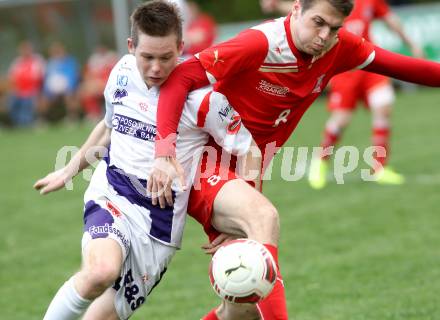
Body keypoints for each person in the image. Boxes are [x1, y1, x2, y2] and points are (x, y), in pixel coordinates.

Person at [149, 0, 440, 318]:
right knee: (264, 221)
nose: (324, 35)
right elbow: (180, 78)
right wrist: (163, 153)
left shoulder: (339, 47)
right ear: (297, 9)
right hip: (201, 163)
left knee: (242, 309)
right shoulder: (261, 43)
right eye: (318, 22)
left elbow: (410, 68)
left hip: (246, 171)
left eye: (334, 28)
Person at [33, 2, 255, 319]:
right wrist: (69, 170)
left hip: (159, 227)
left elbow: (249, 150)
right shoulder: (121, 72)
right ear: (131, 47)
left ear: (181, 47)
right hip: (113, 195)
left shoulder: (205, 99)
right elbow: (108, 128)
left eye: (166, 57)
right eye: (146, 57)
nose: (155, 68)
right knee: (100, 271)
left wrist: (241, 218)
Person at [306, 0, 424, 189]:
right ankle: (320, 160)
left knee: (383, 108)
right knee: (341, 120)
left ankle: (379, 168)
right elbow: (306, 12)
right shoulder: (332, 3)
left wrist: (411, 44)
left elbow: (390, 20)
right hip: (345, 69)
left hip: (370, 64)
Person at [7, 40, 45, 127]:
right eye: (23, 50)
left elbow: (39, 77)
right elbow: (12, 78)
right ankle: (16, 123)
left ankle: (28, 123)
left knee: (29, 102)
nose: (25, 52)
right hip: (19, 91)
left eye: (27, 49)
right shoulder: (17, 62)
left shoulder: (37, 60)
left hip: (33, 90)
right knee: (11, 100)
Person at [40, 41, 81, 123]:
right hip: (52, 91)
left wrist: (69, 88)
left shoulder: (70, 62)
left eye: (58, 50)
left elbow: (73, 77)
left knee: (69, 97)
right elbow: (46, 79)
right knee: (43, 99)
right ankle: (43, 120)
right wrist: (47, 91)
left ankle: (72, 118)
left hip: (67, 89)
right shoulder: (50, 64)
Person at [79, 44, 118, 121]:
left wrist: (101, 83)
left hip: (109, 83)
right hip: (96, 84)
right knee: (84, 90)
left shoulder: (112, 57)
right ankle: (93, 114)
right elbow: (88, 74)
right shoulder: (93, 59)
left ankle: (113, 113)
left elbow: (115, 74)